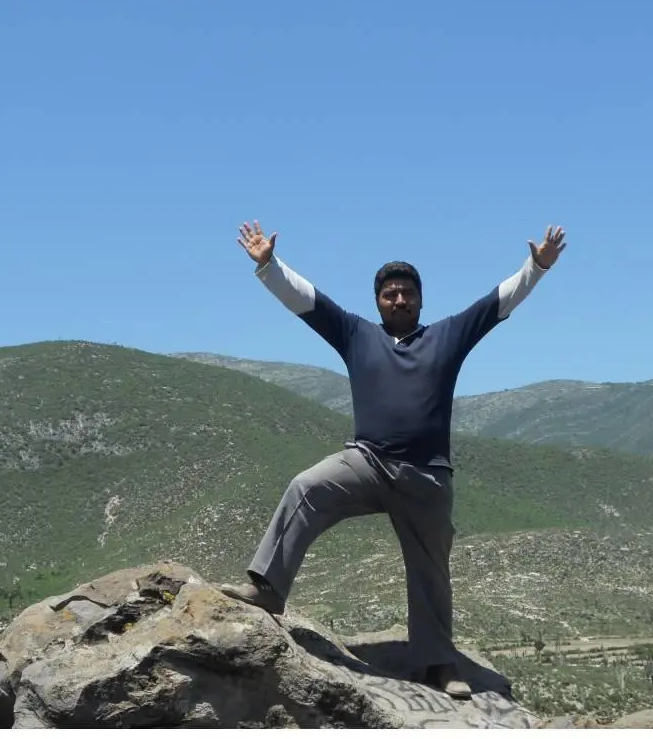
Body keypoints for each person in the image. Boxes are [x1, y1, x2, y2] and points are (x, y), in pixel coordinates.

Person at [221, 219, 567, 699]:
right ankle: (268, 588)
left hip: (427, 476)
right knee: (306, 487)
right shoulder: (355, 334)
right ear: (377, 301)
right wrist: (269, 266)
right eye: (390, 294)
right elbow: (308, 301)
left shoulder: (448, 335)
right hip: (367, 462)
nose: (399, 299)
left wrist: (537, 266)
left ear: (421, 300)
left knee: (430, 571)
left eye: (407, 293)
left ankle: (439, 663)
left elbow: (497, 303)